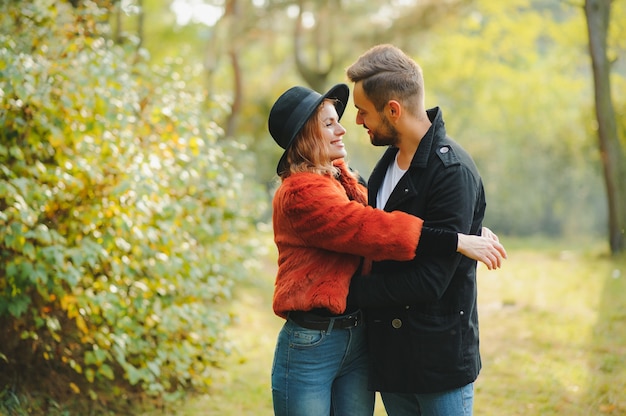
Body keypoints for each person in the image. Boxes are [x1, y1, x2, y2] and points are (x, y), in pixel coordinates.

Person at [267, 83, 506, 416]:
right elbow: (371, 228)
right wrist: (454, 239)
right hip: (313, 343)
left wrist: (468, 227)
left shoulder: (342, 180)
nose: (343, 129)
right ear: (307, 136)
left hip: (357, 337)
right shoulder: (300, 193)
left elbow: (392, 217)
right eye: (329, 124)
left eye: (339, 120)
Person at [344, 43, 494, 416]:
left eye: (363, 112)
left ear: (392, 110)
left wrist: (349, 291)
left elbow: (429, 282)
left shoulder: (451, 172)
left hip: (436, 364)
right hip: (393, 362)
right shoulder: (386, 166)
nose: (359, 121)